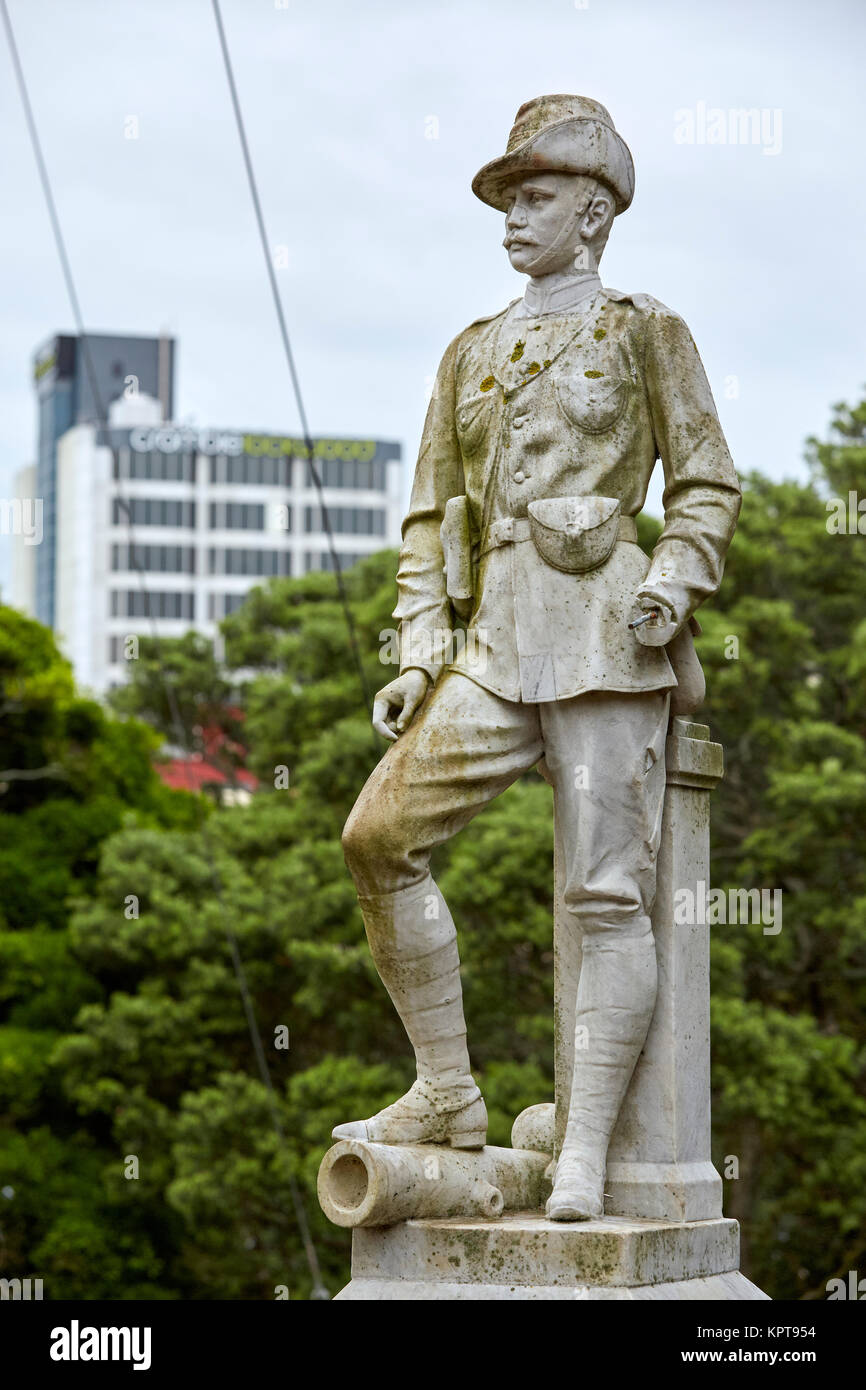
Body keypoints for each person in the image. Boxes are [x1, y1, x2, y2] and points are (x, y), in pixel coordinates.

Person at [335, 94, 741, 1221]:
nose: (512, 217)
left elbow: (704, 481)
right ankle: (446, 1089)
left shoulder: (641, 328)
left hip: (611, 636)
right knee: (377, 837)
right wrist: (418, 652)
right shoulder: (467, 350)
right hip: (491, 643)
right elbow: (427, 519)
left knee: (602, 896)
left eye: (536, 195)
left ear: (594, 211)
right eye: (509, 198)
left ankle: (581, 1147)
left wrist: (670, 581)